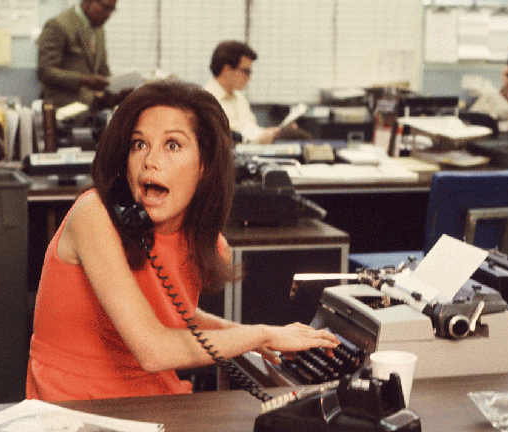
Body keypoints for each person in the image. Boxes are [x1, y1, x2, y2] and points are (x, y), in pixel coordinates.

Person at [26, 80, 339, 401]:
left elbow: (179, 317)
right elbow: (153, 350)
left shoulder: (205, 243)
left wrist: (259, 339)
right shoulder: (94, 215)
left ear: (204, 166)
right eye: (138, 144)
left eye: (172, 145)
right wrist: (261, 334)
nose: (150, 160)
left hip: (152, 397)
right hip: (73, 404)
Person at [36, 0, 117, 110]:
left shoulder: (99, 30)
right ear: (88, 2)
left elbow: (103, 70)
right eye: (105, 8)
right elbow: (45, 71)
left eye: (112, 10)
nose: (109, 15)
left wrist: (115, 87)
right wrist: (84, 80)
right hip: (62, 110)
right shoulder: (58, 25)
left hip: (91, 109)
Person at [204, 41, 284, 144]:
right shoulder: (206, 100)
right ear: (227, 70)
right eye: (246, 72)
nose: (249, 78)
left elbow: (250, 128)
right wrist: (261, 136)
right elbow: (229, 137)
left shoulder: (240, 98)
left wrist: (269, 133)